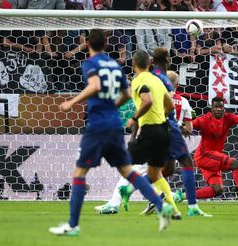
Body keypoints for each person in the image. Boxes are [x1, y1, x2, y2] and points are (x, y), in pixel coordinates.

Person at [49, 29, 173, 236]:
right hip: (114, 124)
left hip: (97, 125)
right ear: (106, 44)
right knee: (128, 171)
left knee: (79, 173)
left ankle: (72, 225)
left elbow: (95, 85)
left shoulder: (90, 63)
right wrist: (112, 108)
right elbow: (125, 94)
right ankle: (161, 206)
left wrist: (72, 101)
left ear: (87, 43)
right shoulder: (115, 65)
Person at [121, 48, 210, 218]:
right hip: (166, 127)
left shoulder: (148, 77)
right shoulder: (163, 81)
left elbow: (141, 103)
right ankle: (191, 206)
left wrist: (135, 129)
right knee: (185, 163)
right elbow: (160, 104)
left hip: (154, 127)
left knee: (165, 170)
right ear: (168, 60)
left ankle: (132, 189)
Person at [173, 95, 238, 205]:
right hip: (204, 155)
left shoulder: (229, 117)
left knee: (217, 190)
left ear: (223, 108)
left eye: (220, 107)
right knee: (236, 164)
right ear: (211, 108)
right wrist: (179, 124)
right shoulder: (203, 119)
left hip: (213, 158)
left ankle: (182, 196)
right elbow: (187, 129)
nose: (218, 109)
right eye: (216, 107)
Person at [123, 49, 177, 221]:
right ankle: (174, 211)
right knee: (154, 175)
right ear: (149, 63)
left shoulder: (139, 80)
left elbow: (147, 101)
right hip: (164, 131)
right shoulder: (158, 80)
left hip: (150, 131)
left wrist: (134, 118)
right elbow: (171, 105)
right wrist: (160, 114)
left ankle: (157, 198)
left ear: (133, 64)